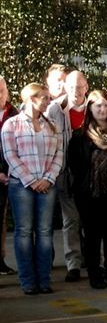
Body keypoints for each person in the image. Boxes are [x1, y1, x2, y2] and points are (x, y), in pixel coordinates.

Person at [1, 83, 62, 295]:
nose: (47, 101)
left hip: (47, 185)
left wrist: (48, 178)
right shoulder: (11, 124)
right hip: (21, 185)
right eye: (44, 97)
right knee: (24, 232)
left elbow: (58, 156)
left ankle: (44, 280)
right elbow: (10, 156)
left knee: (45, 232)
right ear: (31, 98)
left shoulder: (52, 125)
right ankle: (27, 281)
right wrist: (31, 180)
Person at [67, 89, 107, 289]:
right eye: (98, 106)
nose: (102, 109)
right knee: (92, 236)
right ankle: (95, 274)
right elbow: (75, 165)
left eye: (105, 105)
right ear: (90, 109)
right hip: (89, 195)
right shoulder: (80, 136)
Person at [46, 69, 89, 282]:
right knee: (70, 219)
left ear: (86, 87)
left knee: (90, 219)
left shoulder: (94, 107)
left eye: (79, 87)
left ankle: (93, 259)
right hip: (65, 173)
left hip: (90, 175)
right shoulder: (55, 109)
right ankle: (73, 263)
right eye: (71, 87)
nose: (75, 91)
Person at [0, 76, 17, 275]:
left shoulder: (15, 114)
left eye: (2, 90)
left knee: (1, 221)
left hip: (9, 174)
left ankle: (0, 259)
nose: (0, 94)